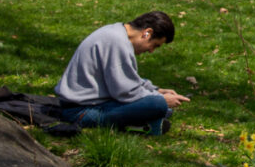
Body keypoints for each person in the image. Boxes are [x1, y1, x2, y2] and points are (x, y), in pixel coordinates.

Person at [55, 11, 188, 136]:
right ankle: (140, 126)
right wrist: (161, 100)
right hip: (81, 111)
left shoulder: (116, 32)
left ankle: (143, 121)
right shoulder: (117, 42)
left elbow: (127, 78)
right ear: (147, 33)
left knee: (160, 107)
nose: (151, 51)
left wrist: (157, 91)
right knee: (157, 106)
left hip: (92, 102)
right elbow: (126, 92)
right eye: (155, 45)